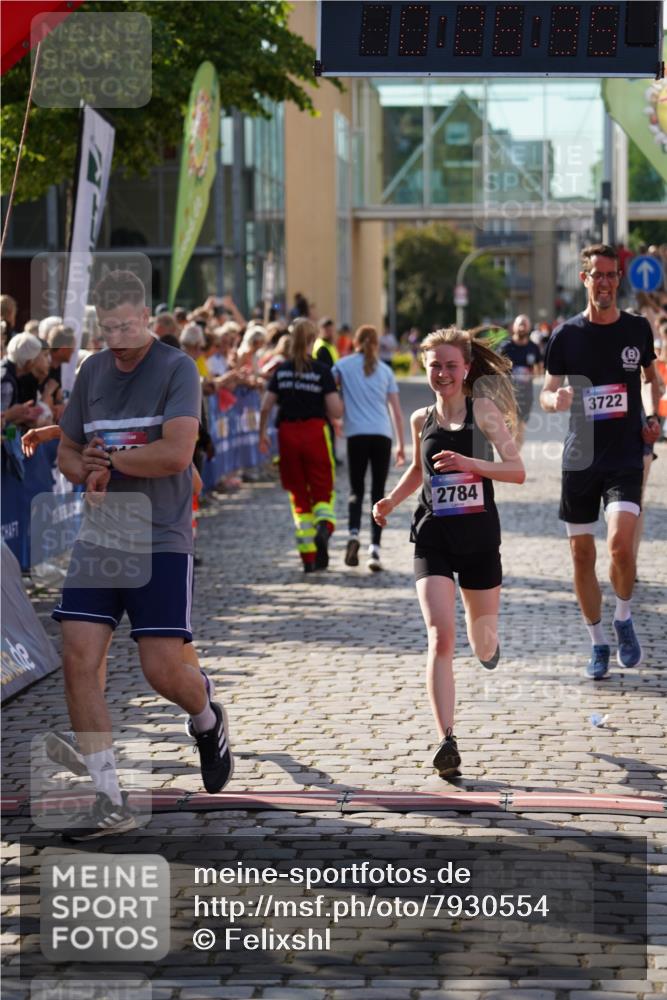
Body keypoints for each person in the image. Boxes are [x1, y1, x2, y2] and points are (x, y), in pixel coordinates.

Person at [51, 270, 233, 839]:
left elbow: (177, 454)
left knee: (161, 670)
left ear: (147, 317)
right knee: (78, 658)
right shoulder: (92, 371)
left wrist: (112, 461)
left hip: (160, 538)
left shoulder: (177, 369)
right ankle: (108, 797)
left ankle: (205, 713)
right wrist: (84, 467)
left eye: (127, 326)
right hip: (100, 538)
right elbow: (67, 453)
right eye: (107, 329)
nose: (118, 339)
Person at [373, 328, 524, 778]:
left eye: (450, 365)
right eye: (434, 365)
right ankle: (446, 740)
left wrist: (470, 464)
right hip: (433, 536)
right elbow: (419, 471)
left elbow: (516, 470)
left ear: (467, 368)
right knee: (440, 636)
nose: (442, 373)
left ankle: (488, 645)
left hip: (479, 540)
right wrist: (391, 501)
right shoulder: (421, 419)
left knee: (482, 641)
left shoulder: (484, 411)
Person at [540, 244, 661, 680]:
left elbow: (650, 379)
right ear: (585, 279)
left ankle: (623, 617)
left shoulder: (636, 329)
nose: (605, 282)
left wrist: (652, 415)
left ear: (618, 279)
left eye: (611, 275)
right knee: (581, 555)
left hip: (626, 453)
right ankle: (597, 642)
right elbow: (546, 391)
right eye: (598, 275)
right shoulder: (566, 335)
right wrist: (555, 399)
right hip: (580, 457)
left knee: (620, 547)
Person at [259, 317, 342, 573]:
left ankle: (308, 558)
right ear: (313, 340)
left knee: (298, 492)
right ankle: (324, 527)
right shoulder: (321, 371)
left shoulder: (282, 370)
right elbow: (335, 411)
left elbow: (266, 406)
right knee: (322, 487)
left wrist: (262, 434)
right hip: (314, 431)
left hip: (287, 434)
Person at [333, 324, 405, 572]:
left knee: (356, 490)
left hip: (356, 433)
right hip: (382, 434)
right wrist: (401, 444)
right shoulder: (385, 370)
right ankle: (374, 549)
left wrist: (334, 420)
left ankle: (353, 534)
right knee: (378, 492)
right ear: (377, 344)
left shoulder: (342, 366)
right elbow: (396, 411)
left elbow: (329, 393)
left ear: (355, 342)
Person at [499, 315, 540, 451]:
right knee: (509, 427)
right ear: (514, 327)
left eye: (525, 324)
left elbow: (539, 369)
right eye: (520, 324)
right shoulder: (506, 347)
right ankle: (509, 455)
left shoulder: (533, 348)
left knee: (520, 427)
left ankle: (514, 457)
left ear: (529, 327)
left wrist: (530, 375)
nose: (522, 327)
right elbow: (496, 369)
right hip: (507, 394)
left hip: (526, 394)